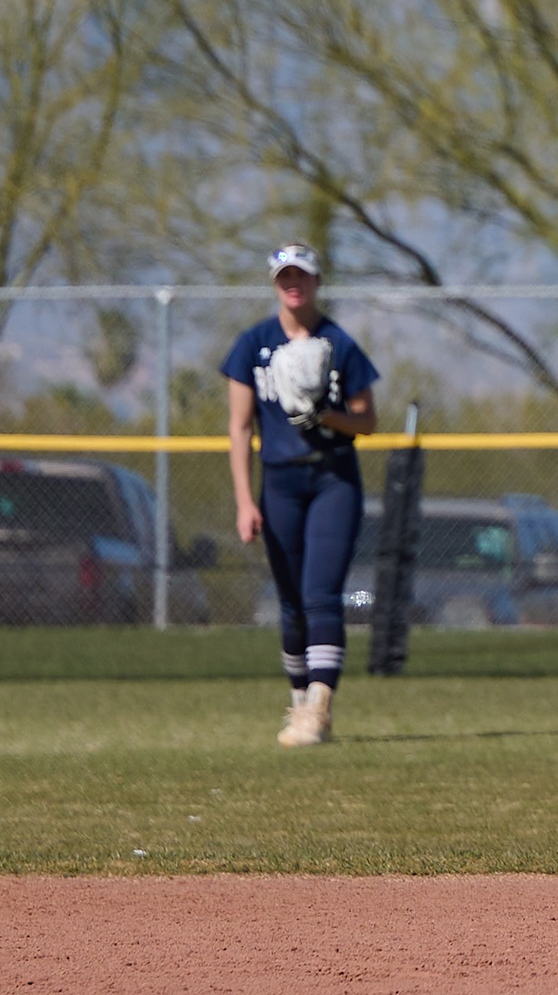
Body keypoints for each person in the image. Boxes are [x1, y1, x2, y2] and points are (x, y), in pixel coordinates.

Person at [224, 243, 382, 746]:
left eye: (302, 275)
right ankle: (299, 703)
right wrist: (245, 501)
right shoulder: (254, 344)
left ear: (316, 282)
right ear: (275, 284)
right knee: (291, 603)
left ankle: (319, 706)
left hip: (333, 478)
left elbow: (367, 421)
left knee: (321, 594)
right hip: (280, 484)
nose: (293, 284)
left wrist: (324, 415)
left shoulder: (339, 343)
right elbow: (240, 427)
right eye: (284, 276)